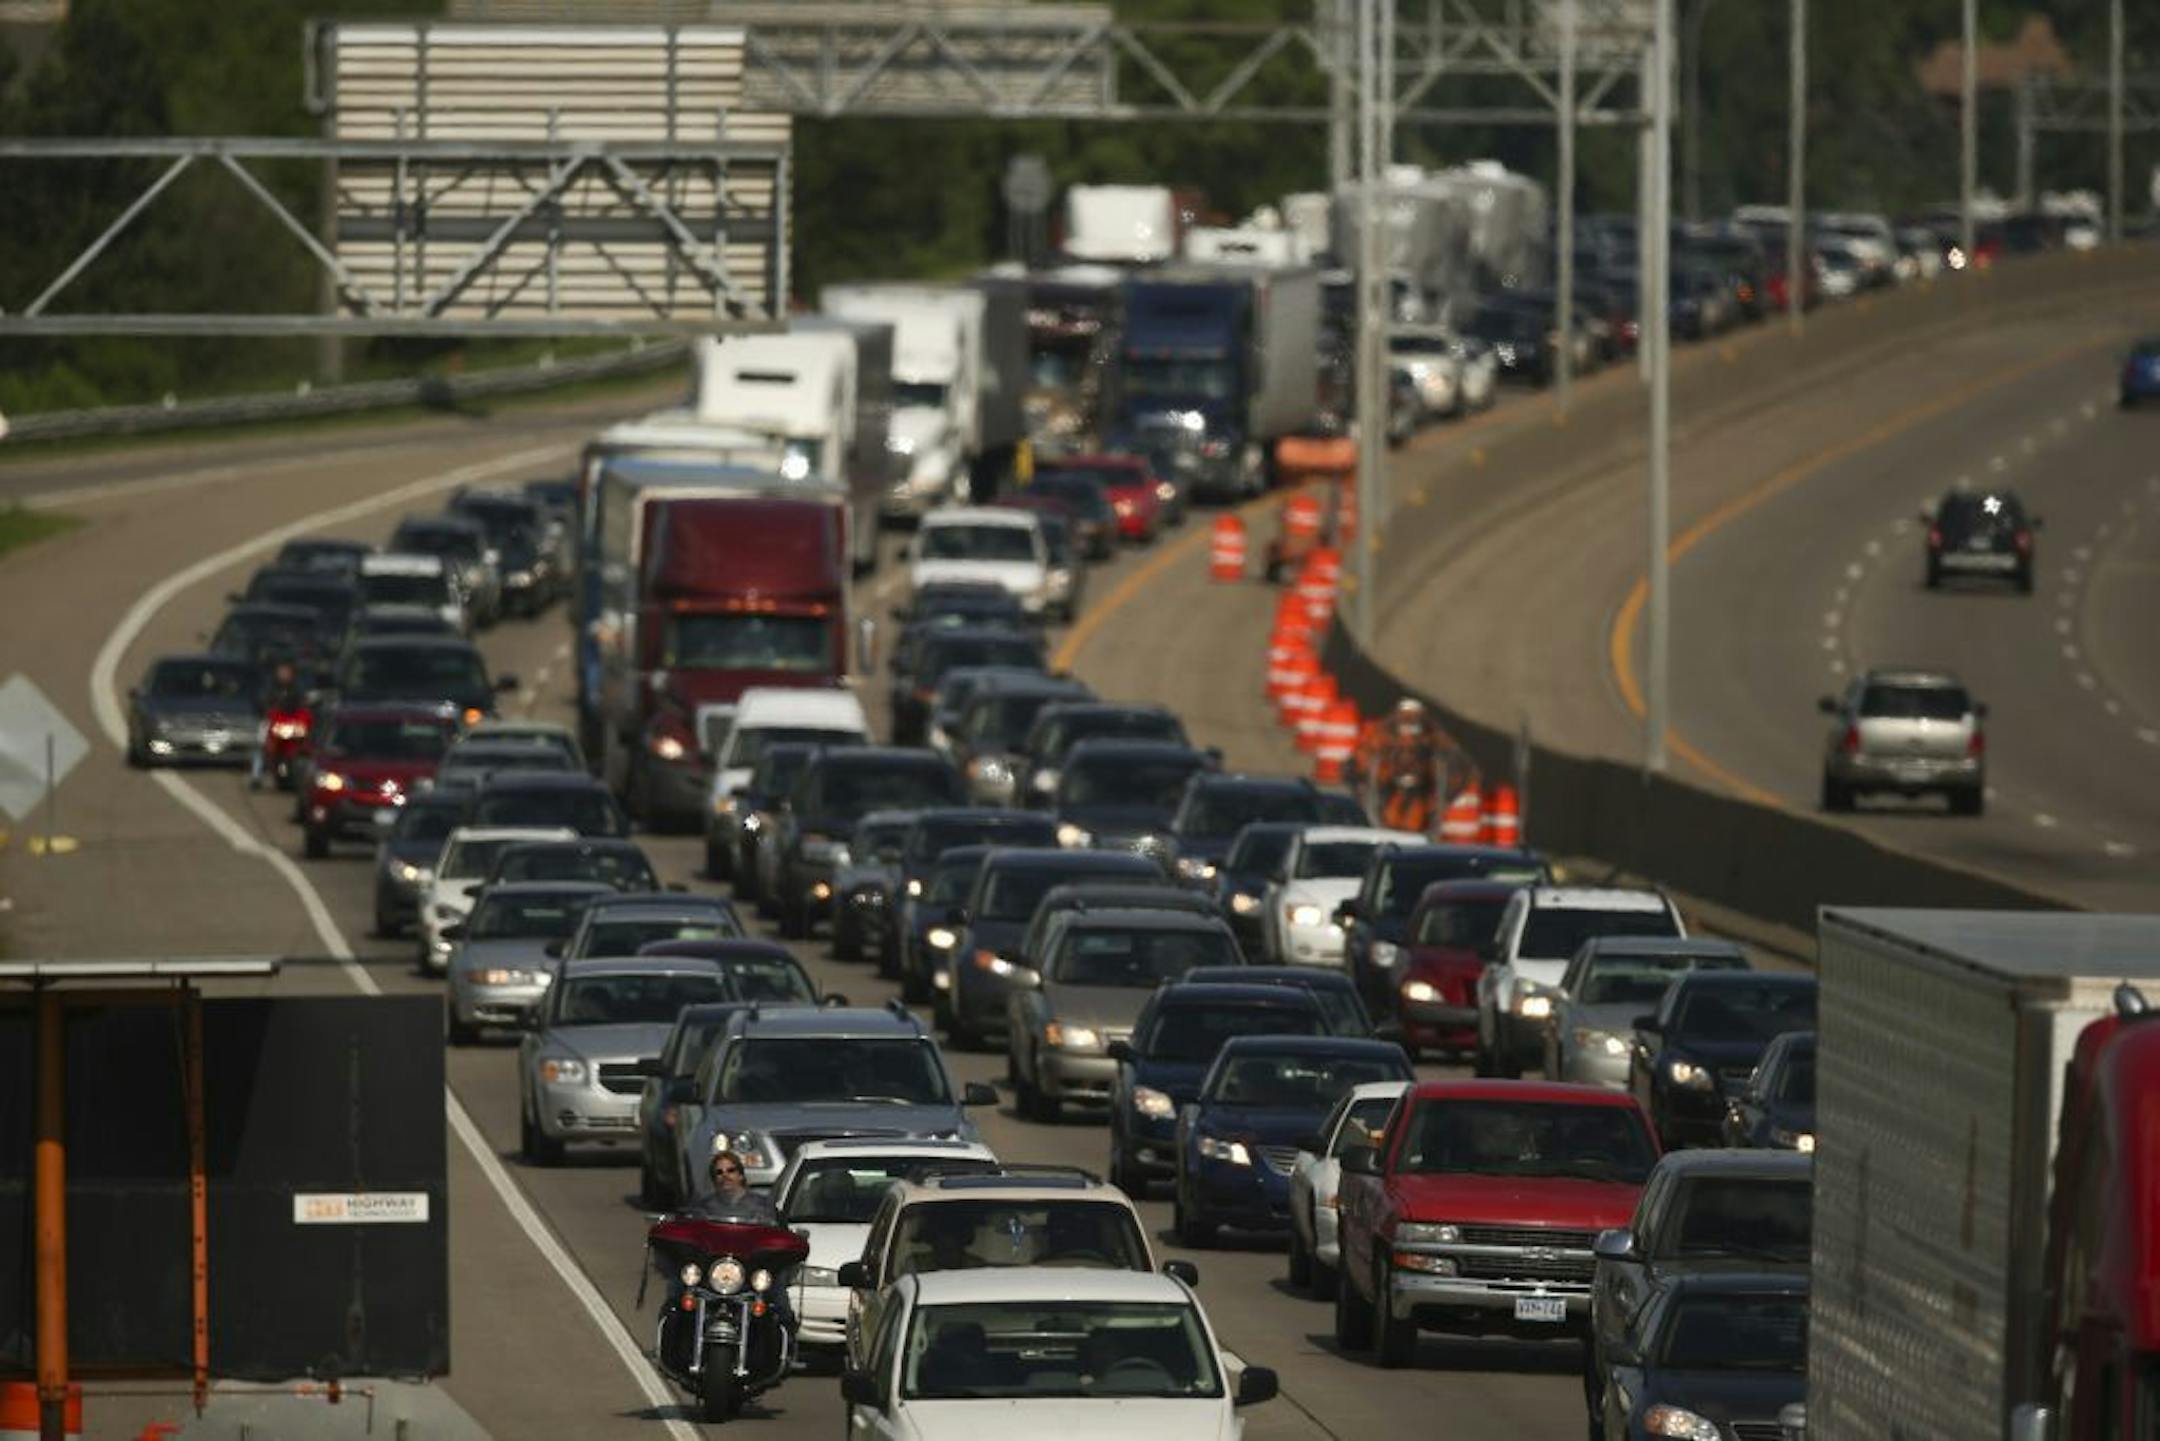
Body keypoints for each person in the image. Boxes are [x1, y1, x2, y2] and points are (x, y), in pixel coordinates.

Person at [1351, 698, 1449, 833]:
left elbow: (1439, 756)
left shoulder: (1430, 735)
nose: (1409, 720)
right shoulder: (1386, 732)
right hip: (1391, 782)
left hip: (1417, 786)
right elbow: (1371, 755)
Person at [248, 659, 308, 789]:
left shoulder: (297, 689)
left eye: (287, 672)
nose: (284, 674)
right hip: (271, 721)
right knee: (261, 745)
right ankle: (256, 775)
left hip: (289, 722)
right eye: (282, 671)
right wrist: (266, 710)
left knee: (301, 743)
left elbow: (302, 704)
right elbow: (262, 701)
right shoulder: (270, 686)